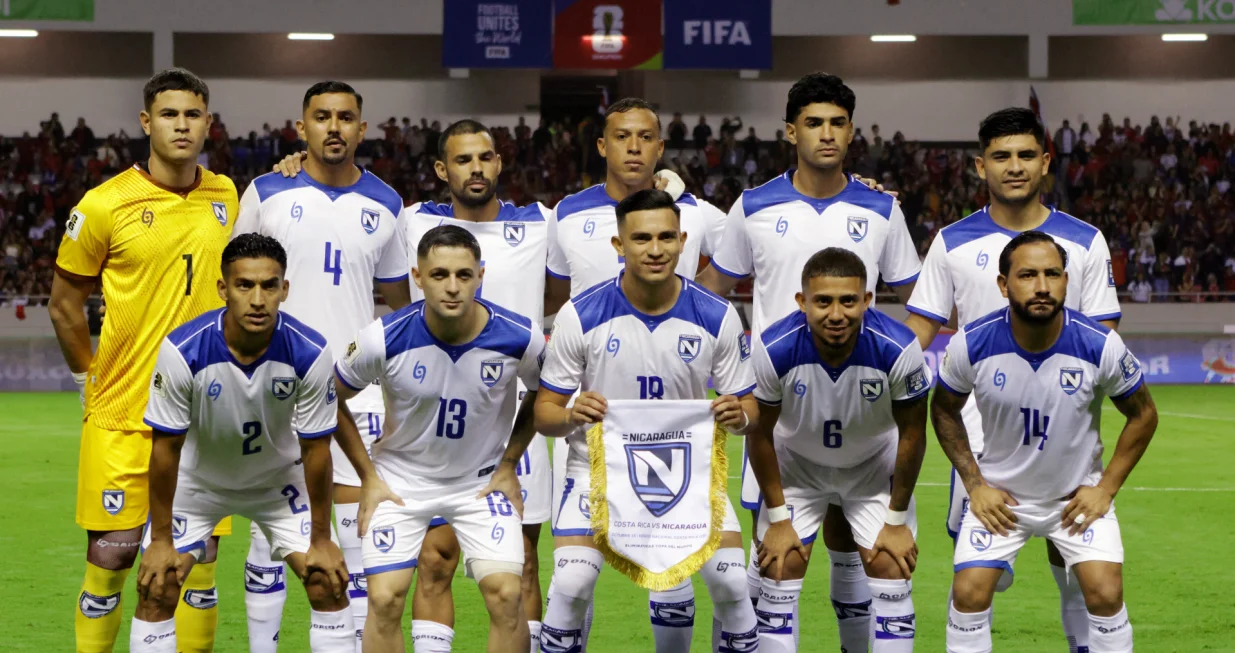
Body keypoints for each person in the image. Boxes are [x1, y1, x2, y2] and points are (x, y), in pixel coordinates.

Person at [696, 71, 921, 652]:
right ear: (790, 131)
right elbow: (710, 291)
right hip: (778, 408)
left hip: (862, 412)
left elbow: (918, 304)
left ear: (852, 132)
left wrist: (898, 365)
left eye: (838, 123)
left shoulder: (879, 207)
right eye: (814, 123)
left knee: (855, 550)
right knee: (775, 552)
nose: (826, 134)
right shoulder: (754, 205)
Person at [904, 107, 1122, 652]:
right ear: (981, 166)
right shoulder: (951, 242)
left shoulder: (1084, 240)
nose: (1015, 166)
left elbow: (1101, 334)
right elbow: (922, 327)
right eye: (1001, 156)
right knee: (977, 580)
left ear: (1046, 162)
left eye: (1026, 155)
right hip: (978, 444)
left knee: (1074, 563)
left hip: (1064, 440)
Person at [49, 68, 238, 653]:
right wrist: (88, 378)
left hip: (205, 419)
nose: (182, 126)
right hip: (124, 412)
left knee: (196, 564)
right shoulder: (104, 204)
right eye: (169, 114)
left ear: (207, 122)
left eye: (192, 115)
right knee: (113, 556)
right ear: (146, 122)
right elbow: (63, 305)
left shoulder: (226, 195)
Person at [535, 189, 759, 653]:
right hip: (595, 472)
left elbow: (751, 409)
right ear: (619, 245)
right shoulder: (580, 314)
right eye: (640, 238)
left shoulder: (717, 315)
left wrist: (740, 414)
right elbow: (544, 413)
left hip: (687, 475)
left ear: (682, 241)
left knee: (734, 586)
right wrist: (571, 413)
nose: (654, 249)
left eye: (665, 237)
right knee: (573, 582)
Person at [233, 80, 412, 652]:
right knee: (271, 535)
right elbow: (238, 292)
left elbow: (398, 305)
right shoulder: (266, 191)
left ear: (363, 129)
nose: (333, 127)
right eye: (322, 117)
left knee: (359, 529)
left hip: (353, 392)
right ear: (301, 127)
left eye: (346, 117)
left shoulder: (387, 204)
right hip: (272, 387)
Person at [933, 231, 1157, 652]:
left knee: (1105, 593)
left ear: (1066, 281)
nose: (1041, 286)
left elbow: (1143, 415)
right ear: (1003, 285)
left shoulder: (1099, 344)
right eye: (1028, 275)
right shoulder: (972, 343)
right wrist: (975, 484)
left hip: (1072, 500)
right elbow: (943, 408)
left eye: (1052, 274)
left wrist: (1105, 489)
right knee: (968, 593)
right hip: (1002, 502)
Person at [131, 234, 354, 652]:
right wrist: (160, 541)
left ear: (284, 289)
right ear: (222, 289)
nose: (257, 299)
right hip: (199, 486)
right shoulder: (183, 351)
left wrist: (321, 539)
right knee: (157, 584)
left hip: (277, 485)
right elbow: (165, 450)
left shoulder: (310, 351)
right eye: (244, 285)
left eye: (269, 286)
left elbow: (317, 450)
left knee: (327, 580)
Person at [336, 225, 544, 653]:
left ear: (480, 275)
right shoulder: (382, 337)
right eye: (439, 275)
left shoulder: (520, 336)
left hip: (480, 483)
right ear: (417, 276)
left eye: (464, 275)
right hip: (399, 484)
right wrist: (368, 476)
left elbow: (547, 392)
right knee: (384, 598)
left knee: (508, 596)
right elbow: (329, 396)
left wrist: (509, 464)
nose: (452, 287)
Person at [403, 119, 553, 653]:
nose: (476, 169)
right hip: (444, 421)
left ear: (499, 162)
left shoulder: (541, 223)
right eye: (463, 160)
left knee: (523, 564)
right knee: (435, 557)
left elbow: (566, 284)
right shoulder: (413, 221)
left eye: (485, 158)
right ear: (443, 169)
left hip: (518, 422)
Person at [748, 247, 929, 653]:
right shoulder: (774, 347)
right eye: (823, 301)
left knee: (892, 568)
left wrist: (897, 520)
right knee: (780, 567)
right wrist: (778, 519)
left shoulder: (898, 348)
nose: (836, 314)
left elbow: (914, 434)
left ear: (867, 300)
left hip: (870, 471)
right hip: (799, 470)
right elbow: (759, 433)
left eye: (848, 300)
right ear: (802, 302)